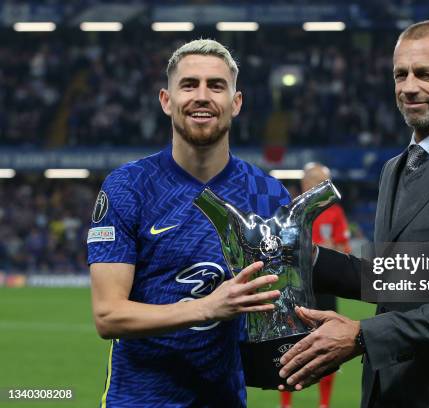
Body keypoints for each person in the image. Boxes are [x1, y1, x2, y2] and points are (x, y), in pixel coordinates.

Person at [278, 19, 429, 407]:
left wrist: (361, 336)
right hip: (391, 391)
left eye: (426, 74)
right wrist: (304, 257)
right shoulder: (394, 169)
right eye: (401, 74)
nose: (409, 86)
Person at [87, 39, 291, 407]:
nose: (202, 96)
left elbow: (277, 311)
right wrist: (206, 308)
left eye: (216, 86)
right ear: (166, 100)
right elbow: (108, 315)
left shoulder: (268, 195)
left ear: (236, 102)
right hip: (137, 400)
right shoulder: (128, 187)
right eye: (189, 85)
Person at [279, 162, 351, 408]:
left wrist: (326, 249)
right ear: (304, 184)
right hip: (295, 286)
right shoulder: (289, 212)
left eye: (324, 181)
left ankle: (323, 404)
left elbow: (344, 251)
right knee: (287, 343)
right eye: (317, 181)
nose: (321, 186)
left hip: (325, 285)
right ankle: (286, 403)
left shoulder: (335, 213)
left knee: (326, 342)